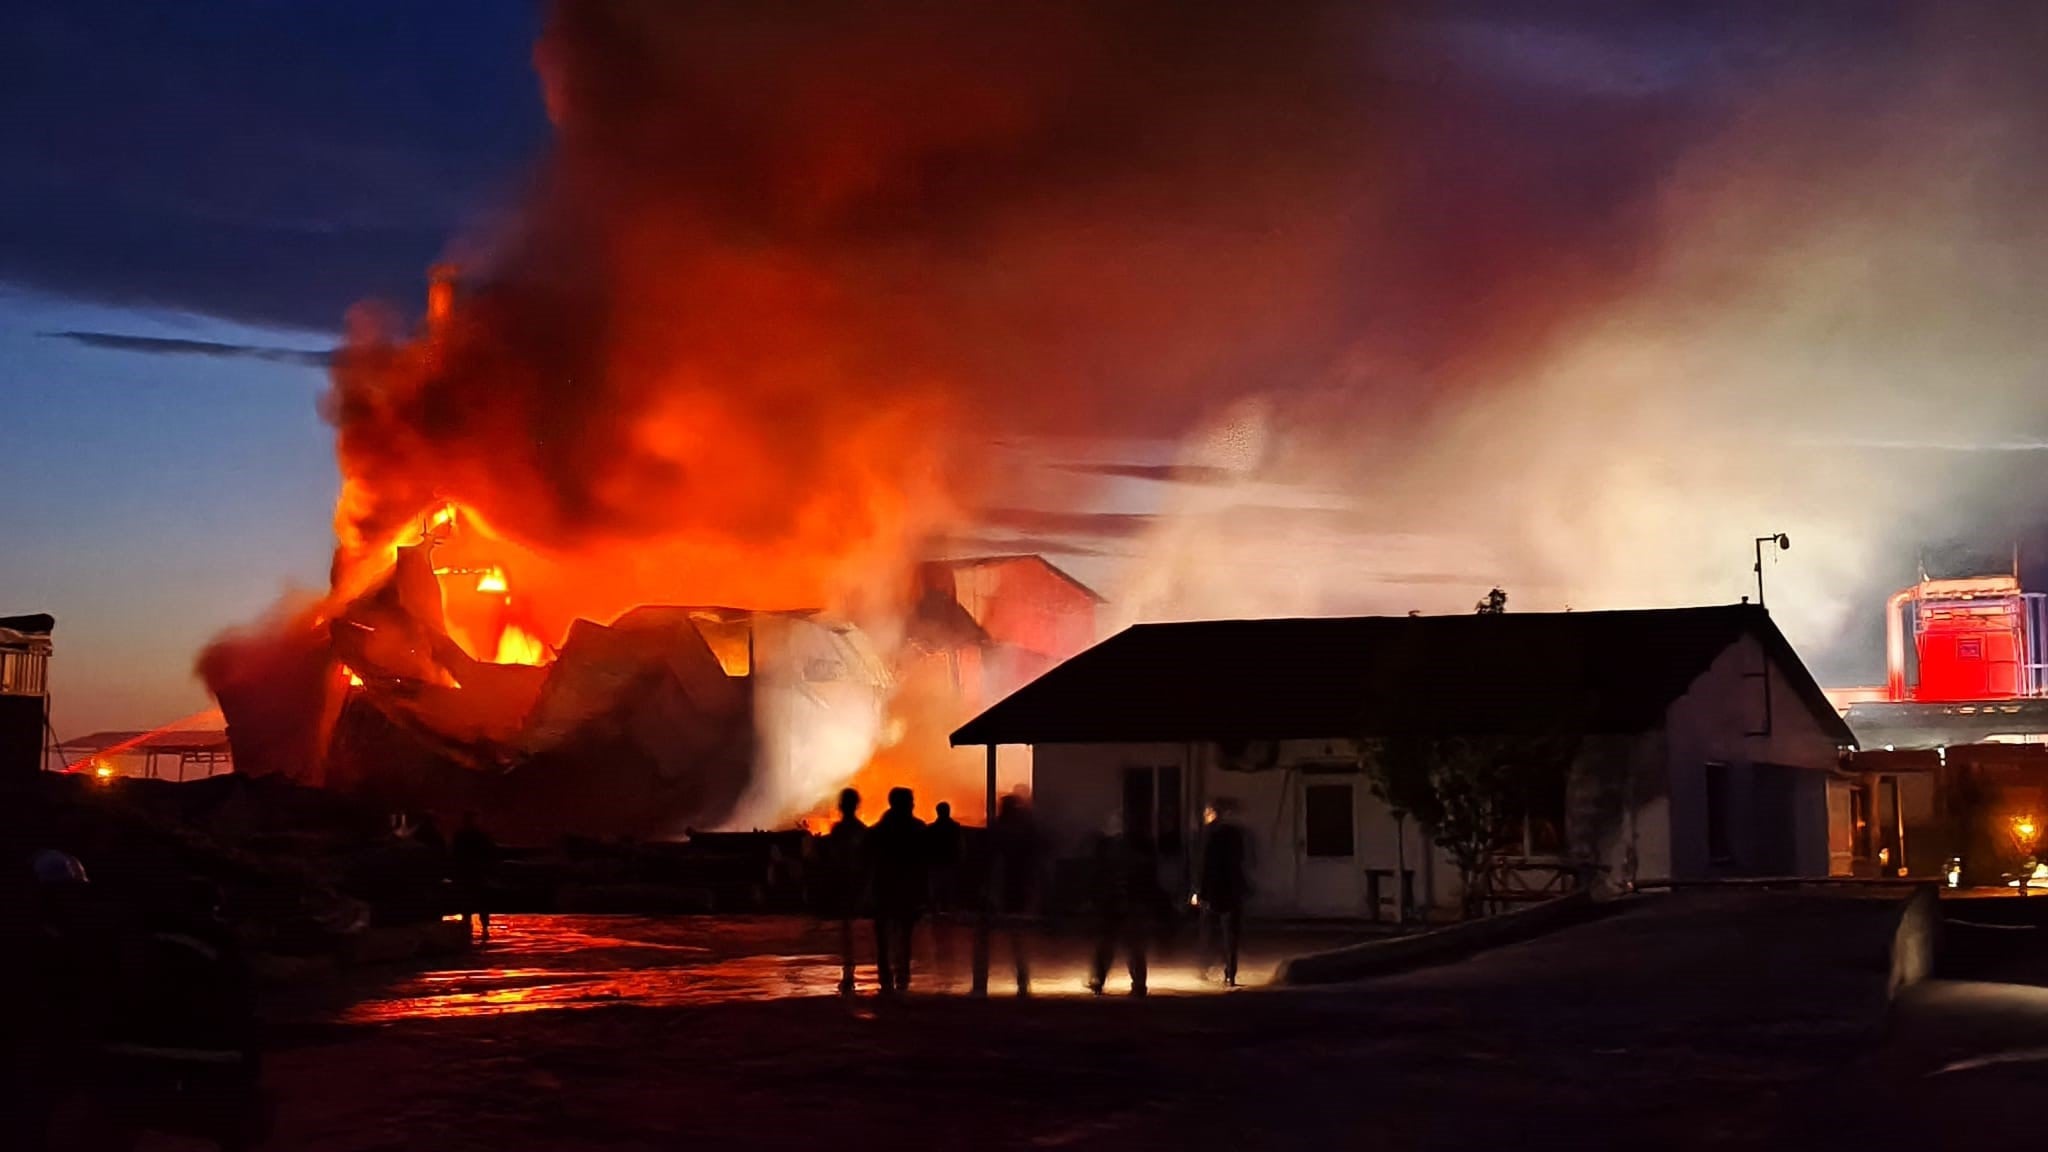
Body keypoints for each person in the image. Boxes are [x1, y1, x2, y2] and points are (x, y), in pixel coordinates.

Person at [867, 787, 929, 994]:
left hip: (884, 888)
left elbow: (868, 861)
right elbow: (924, 864)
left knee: (884, 935)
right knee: (905, 934)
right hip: (906, 889)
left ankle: (886, 974)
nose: (913, 804)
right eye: (910, 801)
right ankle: (902, 974)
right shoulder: (918, 829)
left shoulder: (878, 831)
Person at [1088, 812, 1157, 996]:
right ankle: (1138, 984)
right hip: (1130, 901)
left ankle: (1100, 980)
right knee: (1132, 945)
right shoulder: (1140, 849)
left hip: (1117, 901)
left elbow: (1102, 876)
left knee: (1110, 943)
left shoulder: (1111, 849)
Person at [991, 789, 1043, 995]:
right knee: (1019, 932)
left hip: (1008, 883)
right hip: (1020, 883)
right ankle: (1022, 974)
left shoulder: (1000, 831)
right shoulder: (1025, 830)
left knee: (1008, 931)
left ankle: (1018, 974)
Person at [1196, 799, 1252, 986]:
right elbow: (1241, 859)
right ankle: (1230, 972)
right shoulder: (1235, 834)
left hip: (1214, 890)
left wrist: (1199, 891)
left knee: (1209, 932)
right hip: (1232, 889)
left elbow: (1204, 865)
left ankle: (1206, 967)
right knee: (1231, 934)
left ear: (1212, 813)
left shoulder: (1208, 835)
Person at [822, 787, 868, 996]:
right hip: (855, 882)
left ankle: (849, 966)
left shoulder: (839, 830)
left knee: (846, 927)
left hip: (845, 882)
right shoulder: (861, 830)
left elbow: (832, 858)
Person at [451, 811, 499, 940]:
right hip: (477, 874)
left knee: (468, 904)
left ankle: (468, 929)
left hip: (466, 874)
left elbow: (454, 855)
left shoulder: (460, 836)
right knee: (481, 903)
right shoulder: (481, 835)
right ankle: (484, 930)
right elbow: (490, 854)